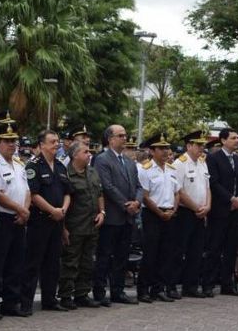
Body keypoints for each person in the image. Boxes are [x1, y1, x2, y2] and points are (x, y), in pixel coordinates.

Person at [23, 130, 72, 312]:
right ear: (42, 144)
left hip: (58, 220)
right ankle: (26, 302)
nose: (56, 145)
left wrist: (63, 210)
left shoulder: (60, 166)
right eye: (52, 142)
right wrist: (52, 210)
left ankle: (49, 299)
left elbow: (67, 192)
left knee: (53, 262)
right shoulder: (33, 165)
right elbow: (33, 194)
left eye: (57, 142)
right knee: (33, 262)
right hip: (40, 220)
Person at [0, 122, 30, 317]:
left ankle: (11, 302)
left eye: (14, 141)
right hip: (3, 217)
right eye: (7, 141)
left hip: (20, 219)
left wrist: (25, 210)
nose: (12, 145)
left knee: (16, 263)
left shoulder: (19, 164)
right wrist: (20, 209)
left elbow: (27, 190)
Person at [93, 125, 141, 306]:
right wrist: (125, 204)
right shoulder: (102, 159)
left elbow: (138, 185)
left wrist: (136, 202)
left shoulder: (129, 162)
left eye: (125, 135)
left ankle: (117, 291)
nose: (125, 138)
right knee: (104, 256)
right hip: (112, 216)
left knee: (122, 256)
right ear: (110, 139)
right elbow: (107, 186)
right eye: (121, 135)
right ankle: (99, 292)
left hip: (127, 217)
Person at [59, 141, 104, 309]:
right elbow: (63, 200)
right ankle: (65, 295)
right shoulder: (66, 174)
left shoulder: (92, 172)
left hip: (92, 225)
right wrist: (63, 228)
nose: (89, 154)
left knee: (87, 263)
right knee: (70, 262)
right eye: (85, 152)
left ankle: (82, 294)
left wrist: (102, 212)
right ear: (75, 155)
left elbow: (100, 193)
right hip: (75, 225)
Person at [204, 128, 238, 297]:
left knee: (231, 247)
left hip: (236, 210)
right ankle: (208, 283)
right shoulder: (213, 158)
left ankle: (227, 284)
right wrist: (230, 199)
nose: (237, 141)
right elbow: (213, 183)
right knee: (214, 247)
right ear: (223, 140)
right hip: (220, 209)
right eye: (233, 138)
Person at [137, 133, 180, 302]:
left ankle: (159, 288)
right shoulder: (146, 170)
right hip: (152, 214)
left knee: (166, 253)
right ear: (152, 151)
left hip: (170, 213)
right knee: (150, 253)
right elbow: (145, 196)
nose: (165, 151)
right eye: (161, 148)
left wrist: (172, 210)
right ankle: (144, 289)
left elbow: (177, 193)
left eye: (167, 148)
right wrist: (160, 212)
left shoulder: (171, 169)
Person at [170, 130, 210, 298]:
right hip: (186, 213)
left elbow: (208, 187)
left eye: (202, 145)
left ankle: (191, 286)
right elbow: (179, 191)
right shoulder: (180, 163)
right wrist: (196, 208)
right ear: (189, 145)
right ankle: (172, 285)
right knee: (179, 251)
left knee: (196, 251)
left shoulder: (202, 162)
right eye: (198, 145)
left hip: (201, 213)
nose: (202, 148)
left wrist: (207, 206)